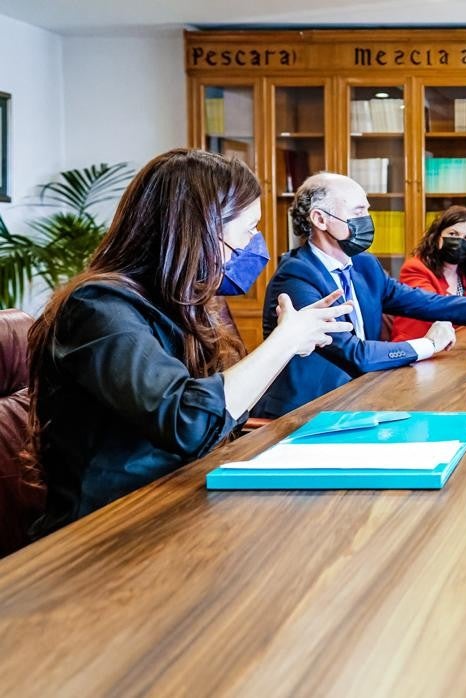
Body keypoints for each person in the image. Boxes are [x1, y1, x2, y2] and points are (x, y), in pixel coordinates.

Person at [25, 149, 354, 534]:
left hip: (184, 502)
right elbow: (189, 422)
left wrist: (288, 347)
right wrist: (281, 343)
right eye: (248, 231)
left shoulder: (184, 304)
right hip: (111, 529)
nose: (254, 246)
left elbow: (223, 417)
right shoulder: (98, 309)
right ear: (197, 230)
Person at [254, 173, 466, 418]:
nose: (367, 220)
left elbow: (430, 302)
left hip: (358, 399)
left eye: (367, 211)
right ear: (320, 220)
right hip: (305, 413)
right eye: (358, 211)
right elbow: (355, 354)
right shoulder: (296, 278)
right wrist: (429, 344)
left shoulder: (363, 266)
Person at [391, 205, 466, 342]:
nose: (460, 242)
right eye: (453, 234)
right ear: (437, 238)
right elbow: (436, 308)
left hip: (458, 347)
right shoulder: (416, 268)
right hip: (417, 347)